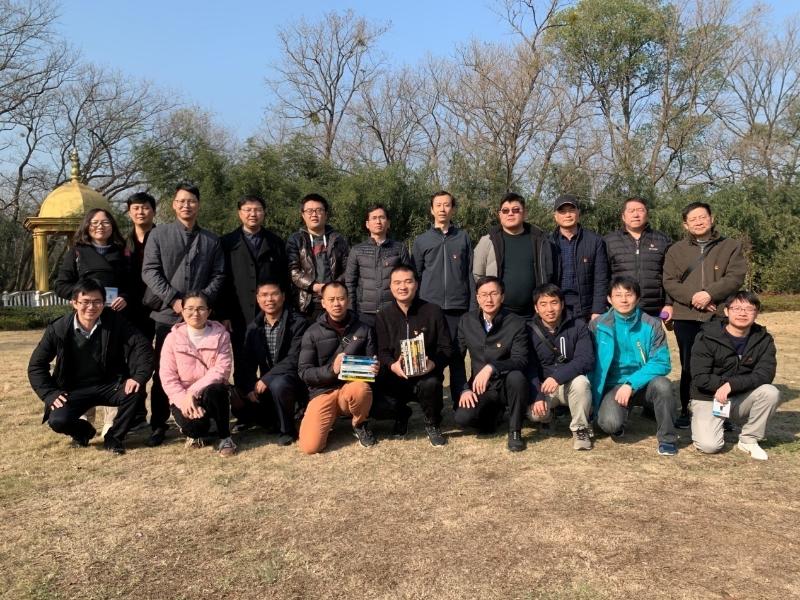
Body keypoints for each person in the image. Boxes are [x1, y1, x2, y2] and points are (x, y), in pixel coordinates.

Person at [141, 182, 225, 447]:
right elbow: (149, 271)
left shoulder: (211, 240)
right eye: (181, 201)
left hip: (200, 318)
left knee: (205, 369)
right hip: (168, 316)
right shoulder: (159, 235)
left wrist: (198, 303)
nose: (186, 205)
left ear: (198, 205)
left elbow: (219, 274)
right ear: (173, 205)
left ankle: (205, 415)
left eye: (191, 201)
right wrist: (174, 300)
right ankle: (159, 424)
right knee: (163, 372)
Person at [27, 278, 153, 454]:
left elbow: (142, 346)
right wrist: (50, 394)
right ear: (74, 303)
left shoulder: (115, 321)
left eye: (97, 302)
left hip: (110, 384)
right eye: (85, 302)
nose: (91, 307)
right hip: (73, 389)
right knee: (58, 421)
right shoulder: (58, 328)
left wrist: (138, 377)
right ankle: (84, 431)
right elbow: (36, 366)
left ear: (104, 303)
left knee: (134, 392)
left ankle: (114, 436)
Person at [663, 202, 747, 429]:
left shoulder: (730, 246)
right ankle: (687, 409)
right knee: (689, 365)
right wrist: (694, 297)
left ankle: (721, 413)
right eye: (693, 219)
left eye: (702, 217)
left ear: (712, 218)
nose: (698, 222)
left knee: (722, 364)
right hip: (686, 316)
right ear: (685, 224)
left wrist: (710, 294)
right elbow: (669, 281)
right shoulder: (676, 250)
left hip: (719, 315)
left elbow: (735, 277)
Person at [591, 276, 678, 456]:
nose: (624, 300)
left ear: (637, 298)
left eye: (629, 295)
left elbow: (662, 361)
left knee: (663, 385)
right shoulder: (597, 325)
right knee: (609, 424)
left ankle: (667, 438)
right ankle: (621, 414)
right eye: (618, 295)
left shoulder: (652, 324)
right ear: (609, 299)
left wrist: (631, 384)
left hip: (644, 384)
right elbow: (589, 362)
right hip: (613, 386)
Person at [690, 291, 780, 460]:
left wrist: (732, 385)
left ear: (757, 313)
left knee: (770, 392)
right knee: (709, 446)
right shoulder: (707, 336)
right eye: (737, 308)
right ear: (726, 311)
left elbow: (765, 374)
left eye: (749, 309)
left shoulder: (764, 339)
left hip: (740, 397)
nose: (742, 313)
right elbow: (700, 377)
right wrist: (723, 385)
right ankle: (707, 421)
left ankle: (749, 439)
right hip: (708, 397)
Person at [374, 265, 452, 446]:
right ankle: (401, 414)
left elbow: (446, 348)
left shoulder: (433, 311)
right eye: (397, 283)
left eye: (408, 282)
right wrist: (392, 365)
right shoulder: (383, 316)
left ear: (416, 284)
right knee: (375, 401)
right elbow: (382, 351)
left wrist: (433, 364)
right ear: (390, 286)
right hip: (395, 376)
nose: (402, 287)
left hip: (425, 375)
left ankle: (432, 423)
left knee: (431, 384)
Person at [297, 281, 378, 454]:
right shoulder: (311, 332)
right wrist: (332, 370)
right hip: (322, 391)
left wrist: (375, 369)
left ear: (348, 300)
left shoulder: (364, 329)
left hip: (350, 386)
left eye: (341, 299)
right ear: (323, 303)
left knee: (360, 389)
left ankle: (359, 423)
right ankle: (328, 419)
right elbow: (304, 372)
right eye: (331, 299)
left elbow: (371, 361)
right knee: (310, 447)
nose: (336, 304)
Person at [411, 191, 474, 405]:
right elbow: (415, 276)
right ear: (432, 210)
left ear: (453, 209)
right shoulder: (422, 241)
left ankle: (460, 404)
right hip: (430, 309)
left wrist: (472, 307)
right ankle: (433, 407)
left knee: (457, 356)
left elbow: (470, 274)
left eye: (447, 205)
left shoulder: (463, 237)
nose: (442, 209)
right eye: (438, 205)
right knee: (433, 357)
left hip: (458, 308)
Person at [455, 276, 530, 452]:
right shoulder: (467, 321)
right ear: (477, 297)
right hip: (482, 388)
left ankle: (515, 431)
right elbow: (457, 359)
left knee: (517, 377)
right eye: (484, 295)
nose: (489, 299)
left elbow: (521, 359)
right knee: (463, 419)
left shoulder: (516, 322)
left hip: (507, 385)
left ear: (502, 297)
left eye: (494, 294)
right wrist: (464, 389)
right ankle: (495, 415)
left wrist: (492, 367)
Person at [219, 195, 288, 385]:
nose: (253, 214)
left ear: (264, 213)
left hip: (270, 313)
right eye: (248, 210)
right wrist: (224, 314)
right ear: (239, 213)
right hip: (238, 313)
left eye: (257, 209)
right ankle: (245, 402)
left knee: (272, 361)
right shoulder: (226, 243)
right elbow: (222, 281)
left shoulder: (275, 242)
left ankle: (270, 400)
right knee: (243, 363)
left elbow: (284, 279)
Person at [159, 291, 236, 457]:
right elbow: (168, 378)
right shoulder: (172, 338)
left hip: (210, 393)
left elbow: (222, 369)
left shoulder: (221, 335)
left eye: (201, 309)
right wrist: (184, 400)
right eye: (190, 308)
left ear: (209, 312)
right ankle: (198, 431)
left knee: (217, 389)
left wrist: (193, 392)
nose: (195, 313)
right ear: (182, 311)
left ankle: (225, 437)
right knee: (195, 428)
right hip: (183, 396)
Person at [236, 280, 309, 445]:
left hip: (293, 379)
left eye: (274, 294)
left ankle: (287, 430)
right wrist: (250, 387)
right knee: (239, 390)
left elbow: (295, 358)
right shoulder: (254, 328)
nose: (269, 299)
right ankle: (269, 420)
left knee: (279, 383)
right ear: (257, 299)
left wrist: (267, 378)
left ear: (283, 296)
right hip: (266, 386)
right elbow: (247, 362)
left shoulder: (298, 323)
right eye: (264, 295)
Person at [527, 284, 595, 450]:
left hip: (569, 385)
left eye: (554, 302)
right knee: (535, 414)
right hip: (543, 387)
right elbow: (529, 367)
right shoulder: (528, 330)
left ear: (562, 304)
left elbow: (586, 359)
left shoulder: (578, 325)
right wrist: (538, 395)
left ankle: (580, 429)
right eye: (543, 304)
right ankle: (548, 419)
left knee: (581, 383)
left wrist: (557, 377)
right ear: (536, 308)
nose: (549, 309)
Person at [473, 192, 556, 318]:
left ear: (525, 213)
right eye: (505, 211)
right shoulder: (488, 241)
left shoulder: (540, 241)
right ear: (500, 214)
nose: (510, 213)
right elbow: (478, 275)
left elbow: (549, 273)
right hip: (499, 314)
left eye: (516, 210)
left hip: (533, 314)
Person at [604, 196, 672, 319]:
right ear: (623, 216)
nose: (636, 215)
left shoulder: (663, 240)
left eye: (640, 210)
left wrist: (669, 303)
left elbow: (670, 274)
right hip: (620, 309)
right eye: (631, 211)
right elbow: (602, 277)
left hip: (654, 309)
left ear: (647, 214)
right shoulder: (609, 241)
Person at [345, 204, 411, 327]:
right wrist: (350, 311)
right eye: (374, 218)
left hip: (393, 311)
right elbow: (350, 283)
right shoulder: (357, 250)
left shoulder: (399, 248)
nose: (378, 221)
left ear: (388, 223)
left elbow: (409, 279)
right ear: (367, 224)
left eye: (382, 217)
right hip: (364, 313)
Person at [286, 193, 349, 321]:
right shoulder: (295, 240)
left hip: (334, 301)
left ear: (326, 214)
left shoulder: (338, 239)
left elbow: (348, 268)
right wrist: (313, 286)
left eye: (319, 210)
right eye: (309, 211)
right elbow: (293, 270)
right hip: (306, 302)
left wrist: (332, 287)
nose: (314, 214)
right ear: (303, 215)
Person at [54, 208, 130, 311]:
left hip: (116, 311)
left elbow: (132, 282)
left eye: (105, 222)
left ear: (112, 226)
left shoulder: (123, 252)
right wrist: (81, 294)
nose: (100, 226)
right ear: (87, 226)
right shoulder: (77, 252)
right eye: (94, 223)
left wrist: (125, 297)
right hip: (87, 311)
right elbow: (61, 285)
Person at [550, 194, 608, 321]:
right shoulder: (548, 242)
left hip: (585, 307)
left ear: (578, 213)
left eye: (571, 210)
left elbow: (601, 278)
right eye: (562, 212)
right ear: (555, 216)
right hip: (555, 306)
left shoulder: (595, 241)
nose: (567, 215)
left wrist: (598, 310)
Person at [125, 191, 158, 339]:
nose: (140, 212)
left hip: (158, 302)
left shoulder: (165, 239)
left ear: (154, 212)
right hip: (130, 303)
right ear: (129, 213)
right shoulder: (122, 242)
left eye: (145, 208)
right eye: (136, 208)